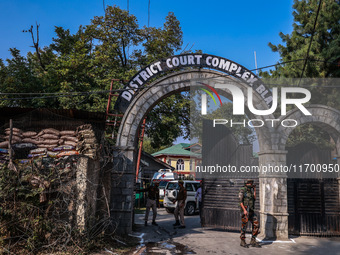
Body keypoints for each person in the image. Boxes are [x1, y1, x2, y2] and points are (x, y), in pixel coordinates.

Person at [238, 179, 261, 248]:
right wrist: (244, 210)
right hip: (245, 211)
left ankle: (253, 240)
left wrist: (254, 190)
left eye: (252, 183)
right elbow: (240, 202)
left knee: (256, 224)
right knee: (244, 226)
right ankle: (242, 241)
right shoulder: (242, 190)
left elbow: (254, 198)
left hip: (251, 211)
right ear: (246, 183)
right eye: (250, 183)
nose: (251, 184)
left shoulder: (250, 191)